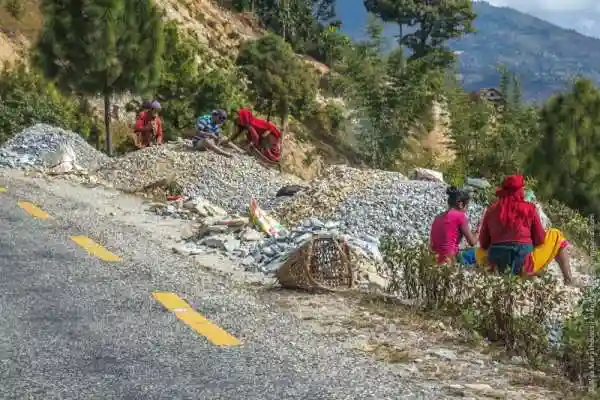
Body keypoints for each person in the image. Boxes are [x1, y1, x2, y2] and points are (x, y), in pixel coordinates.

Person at [475, 175, 573, 285]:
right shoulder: (529, 208)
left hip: (496, 266)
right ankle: (568, 280)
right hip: (523, 265)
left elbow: (483, 243)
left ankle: (495, 271)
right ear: (520, 191)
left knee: (479, 251)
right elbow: (540, 239)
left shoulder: (491, 210)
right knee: (556, 234)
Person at [430, 186, 478, 265]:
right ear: (461, 204)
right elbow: (472, 242)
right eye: (467, 206)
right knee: (477, 252)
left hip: (436, 259)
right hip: (450, 259)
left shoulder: (438, 217)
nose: (467, 209)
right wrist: (479, 229)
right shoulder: (460, 216)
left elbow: (432, 245)